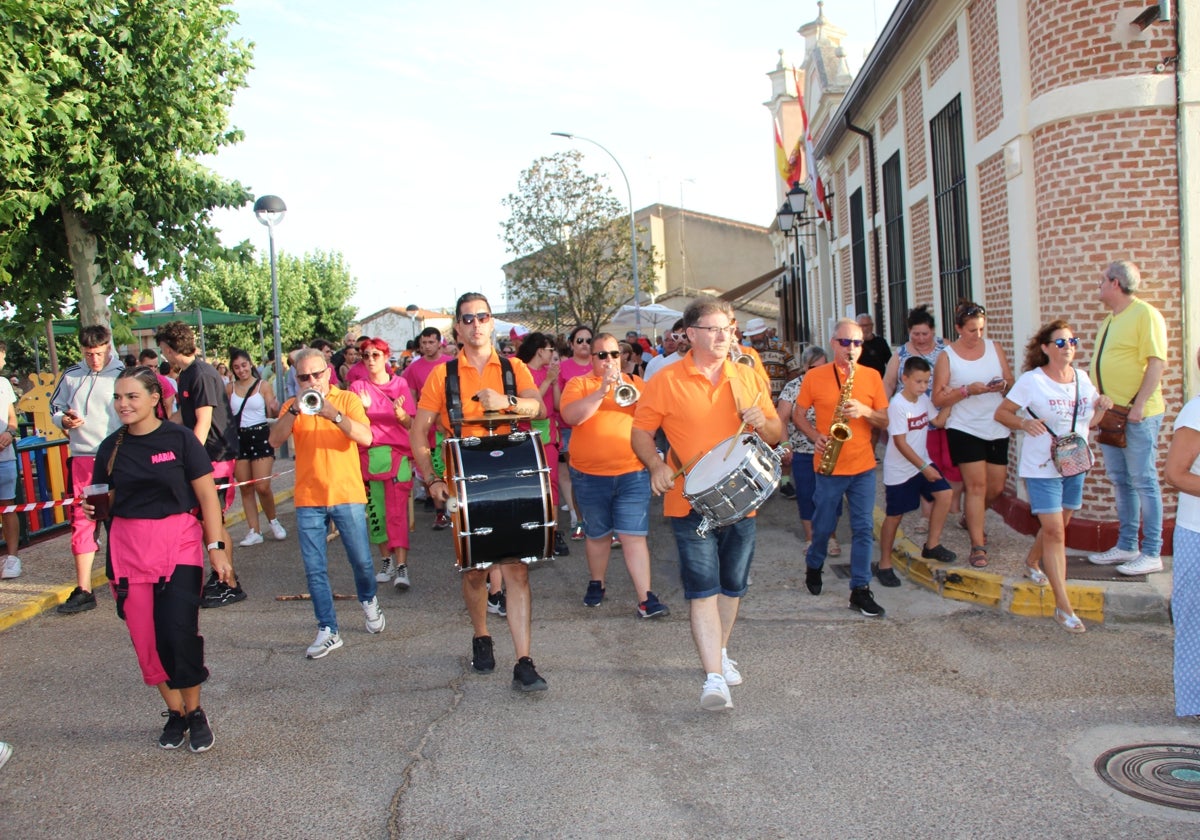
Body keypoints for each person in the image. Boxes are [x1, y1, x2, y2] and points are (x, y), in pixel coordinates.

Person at [632, 296, 782, 710]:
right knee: (703, 590)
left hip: (742, 499)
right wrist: (655, 465)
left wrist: (763, 423)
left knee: (731, 588)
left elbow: (775, 431)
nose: (722, 336)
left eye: (728, 328)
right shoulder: (665, 379)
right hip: (690, 501)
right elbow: (641, 433)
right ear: (691, 334)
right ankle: (714, 678)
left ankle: (720, 652)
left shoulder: (747, 375)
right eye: (713, 329)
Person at [87, 366, 235, 752]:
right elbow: (106, 500)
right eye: (118, 397)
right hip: (128, 549)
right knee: (146, 641)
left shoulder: (181, 439)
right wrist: (96, 510)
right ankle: (177, 714)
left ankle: (196, 710)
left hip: (178, 546)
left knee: (177, 632)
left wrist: (216, 549)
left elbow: (206, 498)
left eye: (132, 396)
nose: (123, 404)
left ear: (156, 398)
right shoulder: (110, 447)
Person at [411, 292, 549, 692]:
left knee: (517, 568)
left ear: (492, 323)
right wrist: (432, 479)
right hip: (462, 478)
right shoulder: (442, 376)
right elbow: (419, 432)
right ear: (458, 327)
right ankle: (481, 634)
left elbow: (538, 409)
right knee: (474, 570)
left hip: (512, 473)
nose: (475, 325)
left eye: (482, 317)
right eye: (467, 319)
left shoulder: (514, 367)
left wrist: (505, 402)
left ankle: (524, 660)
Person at [269, 348, 386, 658]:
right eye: (303, 377)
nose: (311, 381)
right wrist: (294, 410)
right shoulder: (291, 406)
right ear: (296, 379)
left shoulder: (347, 399)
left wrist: (333, 414)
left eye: (316, 375)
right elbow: (274, 441)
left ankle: (369, 600)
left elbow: (366, 437)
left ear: (328, 373)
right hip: (309, 497)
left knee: (361, 561)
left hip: (346, 493)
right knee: (314, 568)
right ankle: (328, 629)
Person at [995, 321, 1109, 633]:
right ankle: (1063, 606)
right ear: (1045, 348)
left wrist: (1103, 405)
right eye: (1060, 342)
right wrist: (1023, 424)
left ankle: (1032, 562)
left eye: (1072, 341)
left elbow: (1091, 421)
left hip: (1074, 462)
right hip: (1042, 467)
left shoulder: (1083, 379)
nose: (1068, 346)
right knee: (1056, 532)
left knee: (1060, 525)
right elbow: (1002, 413)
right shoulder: (1032, 381)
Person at [561, 332, 666, 618]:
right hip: (589, 475)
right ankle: (598, 582)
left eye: (614, 354)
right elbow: (572, 417)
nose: (609, 360)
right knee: (598, 535)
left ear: (623, 357)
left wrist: (627, 390)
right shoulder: (579, 384)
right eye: (602, 355)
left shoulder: (636, 384)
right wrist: (602, 391)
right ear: (592, 358)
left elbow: (652, 420)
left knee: (634, 536)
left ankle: (646, 598)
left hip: (632, 472)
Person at [793, 318, 889, 617]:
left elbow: (885, 420)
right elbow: (797, 413)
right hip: (829, 466)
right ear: (834, 343)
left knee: (862, 529)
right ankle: (814, 563)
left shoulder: (872, 376)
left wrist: (866, 411)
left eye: (857, 343)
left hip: (862, 466)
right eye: (845, 342)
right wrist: (815, 436)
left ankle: (860, 589)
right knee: (822, 528)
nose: (851, 348)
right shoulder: (815, 377)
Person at [1087, 260, 1168, 575]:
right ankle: (1127, 545)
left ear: (1115, 283)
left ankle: (1152, 552)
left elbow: (1156, 363)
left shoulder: (1145, 314)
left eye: (1101, 281)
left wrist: (1138, 406)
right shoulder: (1110, 319)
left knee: (1144, 481)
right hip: (1111, 416)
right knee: (1122, 482)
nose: (1099, 286)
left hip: (1136, 417)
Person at [156, 321, 245, 607]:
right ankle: (222, 577)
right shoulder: (187, 374)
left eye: (163, 351)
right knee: (208, 522)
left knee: (213, 522)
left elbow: (204, 421)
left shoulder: (202, 375)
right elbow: (184, 416)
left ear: (170, 349)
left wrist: (190, 459)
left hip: (215, 457)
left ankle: (229, 582)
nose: (164, 356)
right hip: (206, 457)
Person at [932, 301, 1015, 569]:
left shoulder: (995, 348)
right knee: (977, 486)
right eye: (970, 330)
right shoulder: (947, 356)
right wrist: (967, 390)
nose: (977, 335)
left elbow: (1010, 382)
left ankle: (972, 516)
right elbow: (937, 397)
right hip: (964, 426)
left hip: (995, 425)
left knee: (996, 487)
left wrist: (1002, 385)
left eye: (980, 329)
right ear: (958, 328)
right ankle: (977, 545)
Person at [51, 325, 124, 613]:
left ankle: (123, 581)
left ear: (108, 347)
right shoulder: (71, 376)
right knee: (83, 522)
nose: (94, 359)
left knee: (118, 520)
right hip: (83, 458)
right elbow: (55, 407)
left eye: (99, 353)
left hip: (117, 456)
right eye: (88, 354)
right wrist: (63, 421)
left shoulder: (122, 375)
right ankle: (83, 589)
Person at [878, 357, 955, 587]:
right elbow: (900, 443)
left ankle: (931, 545)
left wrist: (952, 399)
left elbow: (938, 421)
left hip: (922, 463)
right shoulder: (898, 405)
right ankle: (884, 564)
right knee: (894, 517)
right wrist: (924, 468)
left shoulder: (923, 400)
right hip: (901, 470)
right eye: (919, 382)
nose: (923, 387)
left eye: (926, 382)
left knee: (945, 494)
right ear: (905, 379)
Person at [882, 306, 961, 526]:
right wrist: (882, 409)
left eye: (925, 333)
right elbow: (888, 382)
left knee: (950, 464)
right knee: (926, 465)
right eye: (916, 334)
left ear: (933, 331)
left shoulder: (946, 348)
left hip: (941, 414)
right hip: (912, 419)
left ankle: (951, 507)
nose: (921, 338)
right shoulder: (901, 354)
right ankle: (926, 517)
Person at [349, 338, 417, 589]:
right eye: (365, 355)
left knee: (397, 510)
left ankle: (402, 566)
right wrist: (363, 411)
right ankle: (385, 560)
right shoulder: (357, 388)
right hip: (368, 456)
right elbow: (352, 425)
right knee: (376, 511)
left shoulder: (400, 384)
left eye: (375, 355)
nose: (370, 360)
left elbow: (410, 423)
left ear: (386, 357)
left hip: (396, 455)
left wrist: (401, 415)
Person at [1163, 346, 1200, 717]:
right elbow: (1175, 473)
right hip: (1197, 533)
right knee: (1194, 622)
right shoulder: (1196, 411)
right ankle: (1194, 704)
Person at [778, 346, 842, 555]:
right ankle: (811, 538)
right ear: (804, 367)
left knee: (831, 496)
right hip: (803, 450)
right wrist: (785, 444)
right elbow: (782, 418)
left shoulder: (836, 384)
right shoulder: (793, 387)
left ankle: (831, 537)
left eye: (824, 366)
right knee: (807, 495)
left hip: (830, 450)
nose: (819, 371)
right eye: (814, 367)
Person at [226, 348, 286, 547]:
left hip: (260, 435)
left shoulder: (263, 385)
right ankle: (254, 530)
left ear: (250, 364)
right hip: (239, 437)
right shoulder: (229, 388)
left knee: (263, 485)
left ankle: (273, 520)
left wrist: (276, 407)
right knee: (246, 487)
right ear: (232, 369)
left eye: (244, 365)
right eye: (236, 367)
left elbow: (272, 408)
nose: (241, 370)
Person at [517, 332, 568, 557]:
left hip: (549, 436)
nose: (552, 354)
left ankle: (553, 531)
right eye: (549, 350)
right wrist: (548, 380)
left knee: (552, 485)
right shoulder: (523, 372)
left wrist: (554, 382)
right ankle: (532, 531)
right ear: (540, 350)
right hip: (528, 437)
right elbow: (529, 404)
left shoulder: (548, 373)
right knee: (531, 487)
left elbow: (557, 405)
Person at [402, 327, 453, 530]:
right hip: (427, 429)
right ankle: (440, 514)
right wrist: (416, 423)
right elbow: (412, 397)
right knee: (432, 470)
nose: (426, 347)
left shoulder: (450, 364)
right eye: (423, 343)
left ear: (439, 343)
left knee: (451, 469)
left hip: (449, 427)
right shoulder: (414, 368)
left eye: (431, 342)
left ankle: (454, 511)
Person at [557, 325, 594, 540]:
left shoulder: (599, 365)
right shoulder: (563, 368)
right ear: (571, 344)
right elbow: (557, 403)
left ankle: (604, 523)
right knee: (577, 477)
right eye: (579, 340)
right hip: (570, 430)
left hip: (596, 429)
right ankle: (579, 520)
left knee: (599, 476)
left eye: (588, 340)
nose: (584, 345)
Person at [742, 317, 799, 404]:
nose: (755, 338)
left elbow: (794, 370)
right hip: (756, 403)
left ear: (765, 332)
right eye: (752, 336)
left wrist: (786, 393)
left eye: (758, 334)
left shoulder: (781, 348)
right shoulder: (746, 353)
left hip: (779, 402)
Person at [0, 342, 20, 579]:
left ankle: (13, 557)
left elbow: (12, 418)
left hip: (5, 457)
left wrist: (10, 432)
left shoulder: (4, 384)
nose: (3, 362)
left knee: (9, 507)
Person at [139, 348, 176, 420]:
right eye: (149, 366)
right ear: (140, 364)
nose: (153, 369)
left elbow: (169, 406)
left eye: (155, 366)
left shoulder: (163, 381)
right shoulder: (132, 382)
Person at [856, 313, 892, 379]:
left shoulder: (881, 342)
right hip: (861, 382)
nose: (865, 329)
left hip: (879, 382)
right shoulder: (854, 344)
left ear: (872, 326)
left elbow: (890, 362)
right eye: (861, 326)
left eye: (867, 325)